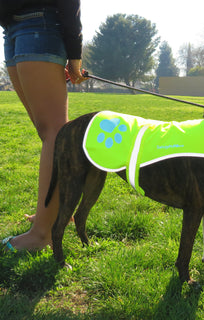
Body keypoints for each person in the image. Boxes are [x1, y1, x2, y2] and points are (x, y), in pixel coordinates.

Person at [0, 0, 87, 251]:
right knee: (48, 132)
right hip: (13, 30)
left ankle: (41, 235)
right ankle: (53, 214)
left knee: (54, 133)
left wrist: (75, 57)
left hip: (40, 25)